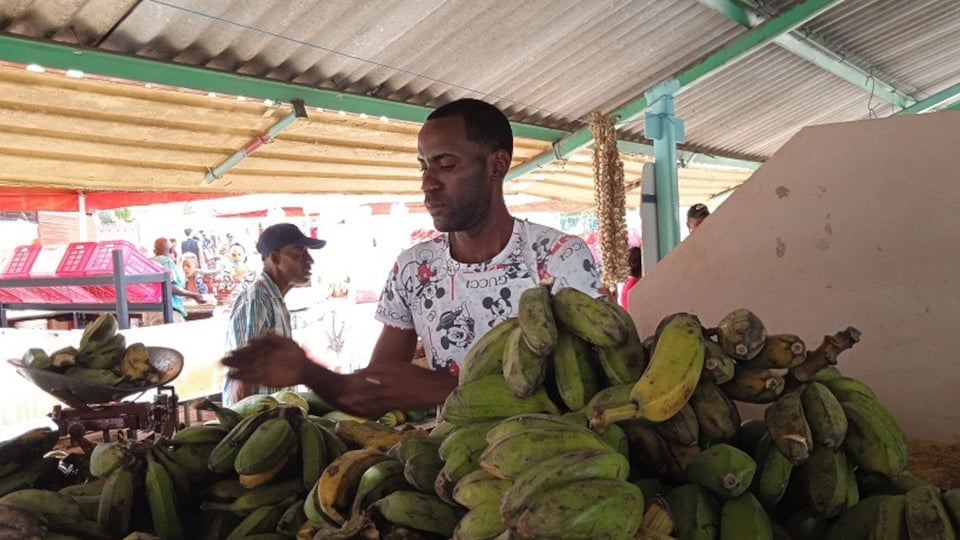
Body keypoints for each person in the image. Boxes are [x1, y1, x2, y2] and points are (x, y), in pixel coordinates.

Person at [222, 98, 605, 417]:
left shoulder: (559, 260)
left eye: (446, 164)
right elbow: (371, 393)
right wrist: (308, 371)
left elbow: (595, 393)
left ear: (497, 165)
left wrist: (443, 389)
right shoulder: (414, 270)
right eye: (423, 166)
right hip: (450, 472)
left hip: (552, 471)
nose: (428, 183)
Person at [222, 223, 326, 406]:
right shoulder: (258, 300)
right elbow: (243, 373)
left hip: (274, 418)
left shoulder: (274, 299)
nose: (310, 260)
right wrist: (246, 428)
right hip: (258, 422)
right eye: (300, 252)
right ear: (276, 258)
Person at [143, 237, 205, 325]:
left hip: (148, 311)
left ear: (154, 251)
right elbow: (170, 286)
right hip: (165, 311)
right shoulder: (166, 261)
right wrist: (193, 295)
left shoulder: (148, 263)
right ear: (171, 250)